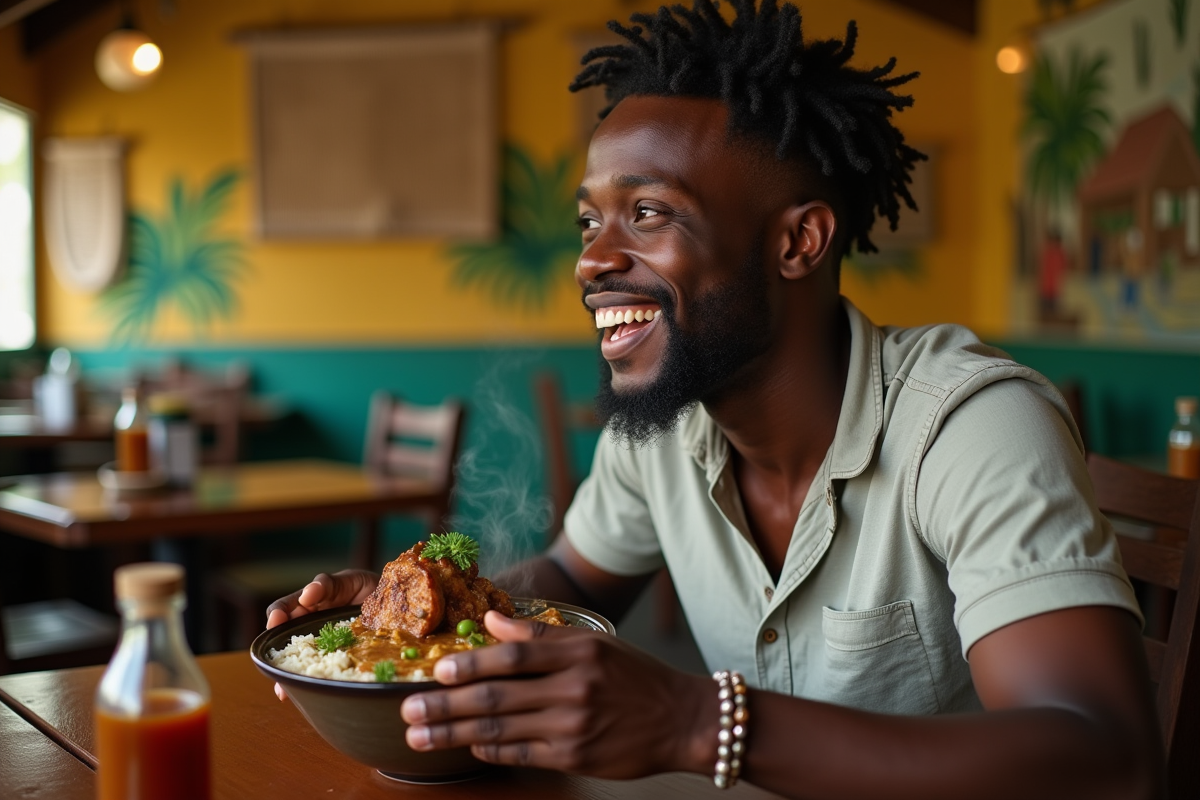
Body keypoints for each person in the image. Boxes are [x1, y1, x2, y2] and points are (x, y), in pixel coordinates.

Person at [268, 3, 1162, 798]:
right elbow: (576, 582)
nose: (591, 260)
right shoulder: (665, 427)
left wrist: (697, 724)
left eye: (648, 212)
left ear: (799, 242)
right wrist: (427, 612)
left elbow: (1106, 758)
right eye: (590, 221)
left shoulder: (970, 427)